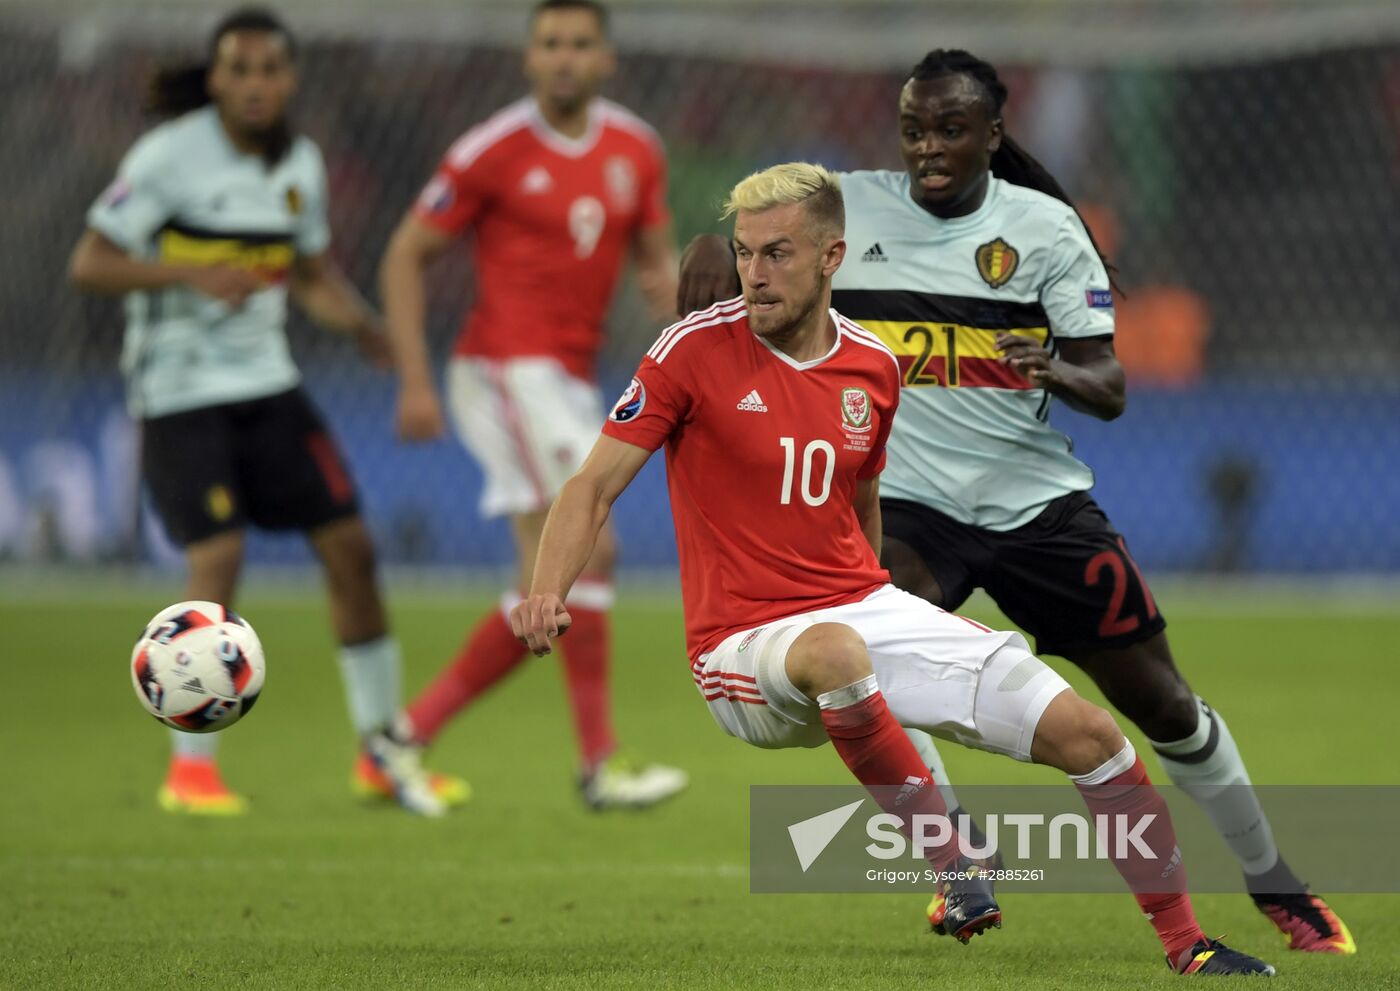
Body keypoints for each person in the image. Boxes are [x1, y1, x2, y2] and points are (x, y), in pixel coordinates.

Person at [514, 162, 1273, 975]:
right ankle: (957, 868)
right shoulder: (692, 350)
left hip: (856, 607)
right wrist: (547, 590)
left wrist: (883, 603)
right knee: (838, 650)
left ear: (833, 256)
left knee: (1091, 734)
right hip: (741, 644)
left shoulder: (873, 367)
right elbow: (591, 484)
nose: (756, 275)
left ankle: (1188, 945)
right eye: (744, 253)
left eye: (778, 253)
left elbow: (862, 499)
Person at [676, 49, 1352, 956]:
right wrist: (704, 257)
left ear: (992, 135)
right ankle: (962, 867)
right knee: (873, 665)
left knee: (1163, 706)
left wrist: (1058, 368)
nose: (928, 148)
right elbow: (754, 229)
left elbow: (1110, 384)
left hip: (1037, 509)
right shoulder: (851, 207)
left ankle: (1276, 881)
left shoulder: (1044, 229)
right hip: (914, 510)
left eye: (950, 130)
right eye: (914, 129)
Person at [68, 7, 464, 817]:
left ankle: (377, 752)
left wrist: (360, 324)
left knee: (352, 549)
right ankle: (192, 772)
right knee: (218, 558)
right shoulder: (168, 157)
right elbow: (91, 262)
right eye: (238, 69)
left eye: (268, 69)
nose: (254, 83)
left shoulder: (302, 165)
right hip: (178, 392)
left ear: (289, 79)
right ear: (214, 78)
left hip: (268, 385)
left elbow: (308, 271)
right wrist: (188, 276)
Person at [378, 0, 686, 809]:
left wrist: (676, 308)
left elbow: (658, 265)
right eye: (549, 43)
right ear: (528, 57)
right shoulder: (493, 150)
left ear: (606, 59)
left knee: (542, 588)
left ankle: (401, 737)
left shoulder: (635, 149)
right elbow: (406, 255)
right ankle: (599, 762)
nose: (564, 58)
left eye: (580, 44)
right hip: (506, 369)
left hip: (568, 377)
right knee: (596, 546)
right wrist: (413, 377)